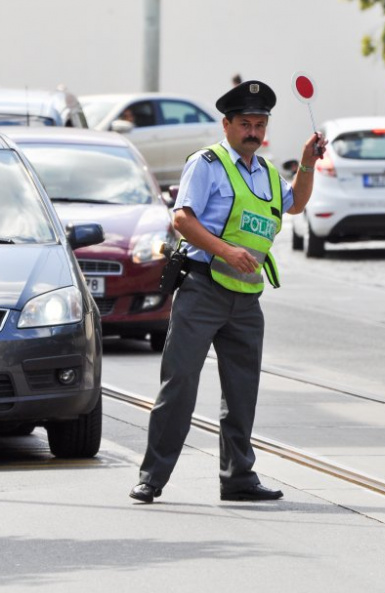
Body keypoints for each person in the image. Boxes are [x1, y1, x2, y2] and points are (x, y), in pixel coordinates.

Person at [130, 80, 327, 503]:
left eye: (259, 124)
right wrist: (226, 250)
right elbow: (182, 219)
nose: (252, 131)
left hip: (246, 296)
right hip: (203, 288)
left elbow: (294, 205)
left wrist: (307, 163)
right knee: (179, 384)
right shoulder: (207, 164)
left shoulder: (269, 172)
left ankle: (238, 477)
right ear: (227, 124)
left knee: (242, 393)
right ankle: (153, 476)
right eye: (245, 123)